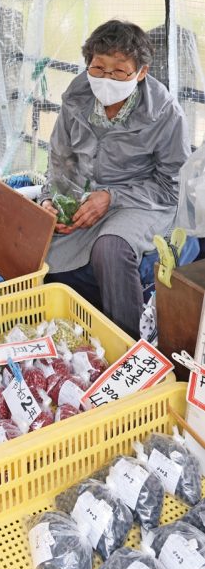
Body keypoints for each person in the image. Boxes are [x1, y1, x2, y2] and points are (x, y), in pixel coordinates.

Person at [40, 19, 191, 338]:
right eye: (98, 68)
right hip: (88, 196)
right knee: (30, 232)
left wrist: (112, 198)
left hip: (143, 203)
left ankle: (130, 348)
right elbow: (60, 162)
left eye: (119, 72)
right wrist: (51, 201)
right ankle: (66, 325)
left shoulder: (165, 114)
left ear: (141, 73)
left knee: (111, 248)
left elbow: (171, 188)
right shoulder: (76, 98)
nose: (107, 79)